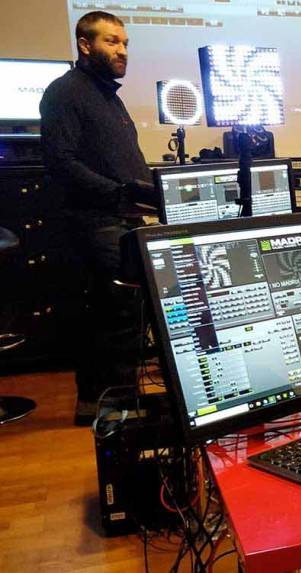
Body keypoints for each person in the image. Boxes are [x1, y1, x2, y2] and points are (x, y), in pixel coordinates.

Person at [40, 11, 153, 425]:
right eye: (111, 41)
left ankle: (120, 402)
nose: (122, 51)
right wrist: (120, 193)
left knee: (131, 313)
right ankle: (107, 408)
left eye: (124, 43)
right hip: (95, 221)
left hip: (123, 218)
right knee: (116, 313)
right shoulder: (65, 92)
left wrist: (146, 194)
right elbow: (61, 161)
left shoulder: (109, 96)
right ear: (85, 45)